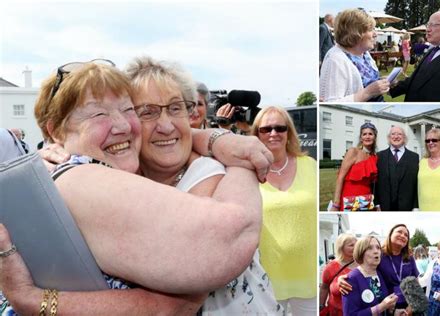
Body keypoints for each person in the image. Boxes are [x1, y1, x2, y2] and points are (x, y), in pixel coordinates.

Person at [0, 60, 272, 314]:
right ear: (56, 132)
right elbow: (178, 298)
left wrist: (218, 139)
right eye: (147, 112)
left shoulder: (197, 169)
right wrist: (243, 160)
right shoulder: (77, 177)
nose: (121, 124)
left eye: (127, 109)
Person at [250, 105, 317, 315]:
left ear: (289, 132)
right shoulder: (245, 172)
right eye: (266, 129)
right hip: (265, 281)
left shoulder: (310, 165)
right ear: (256, 135)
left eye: (280, 128)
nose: (273, 134)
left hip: (309, 279)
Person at [320, 9, 390, 102]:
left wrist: (380, 82)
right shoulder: (336, 59)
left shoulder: (364, 54)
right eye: (370, 29)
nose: (375, 34)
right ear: (355, 32)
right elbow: (331, 104)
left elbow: (366, 80)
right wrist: (367, 93)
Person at [342, 236, 398, 316]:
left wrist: (394, 311)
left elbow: (383, 304)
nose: (376, 251)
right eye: (369, 248)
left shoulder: (380, 274)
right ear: (361, 252)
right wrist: (381, 307)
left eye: (378, 247)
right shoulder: (352, 278)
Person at [329, 122, 378, 211]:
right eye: (364, 134)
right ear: (361, 138)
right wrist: (336, 204)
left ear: (374, 137)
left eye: (370, 134)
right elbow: (340, 177)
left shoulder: (374, 157)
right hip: (350, 197)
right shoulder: (353, 151)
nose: (367, 136)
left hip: (366, 199)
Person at [375, 126, 419, 211]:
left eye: (399, 134)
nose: (396, 136)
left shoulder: (414, 157)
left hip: (407, 207)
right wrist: (377, 204)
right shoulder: (379, 156)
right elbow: (375, 183)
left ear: (405, 138)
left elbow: (416, 184)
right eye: (393, 134)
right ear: (389, 137)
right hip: (384, 207)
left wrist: (416, 206)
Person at [378, 224, 419, 312]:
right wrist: (342, 278)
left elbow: (415, 281)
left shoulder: (409, 257)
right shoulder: (379, 254)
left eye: (406, 235)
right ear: (390, 234)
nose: (403, 236)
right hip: (385, 306)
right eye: (399, 232)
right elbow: (362, 269)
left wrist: (412, 306)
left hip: (407, 305)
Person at [320, 233, 358, 316]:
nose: (355, 247)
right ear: (341, 247)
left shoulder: (362, 264)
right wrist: (321, 305)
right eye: (351, 245)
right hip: (336, 312)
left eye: (357, 244)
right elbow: (324, 287)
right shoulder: (331, 267)